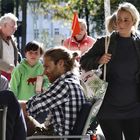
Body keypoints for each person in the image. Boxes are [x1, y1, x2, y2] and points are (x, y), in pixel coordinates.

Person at [80, 2, 140, 140]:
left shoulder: (138, 43)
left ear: (134, 22)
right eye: (119, 19)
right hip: (108, 108)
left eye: (126, 20)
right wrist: (99, 60)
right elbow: (83, 61)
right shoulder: (105, 42)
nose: (121, 23)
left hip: (135, 108)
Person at [26, 46, 86, 136]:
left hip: (56, 137)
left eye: (47, 67)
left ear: (60, 63)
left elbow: (30, 107)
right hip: (54, 132)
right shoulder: (70, 81)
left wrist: (12, 104)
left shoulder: (65, 85)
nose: (45, 72)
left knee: (14, 108)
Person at [0, 13, 19, 81]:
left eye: (16, 26)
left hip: (11, 76)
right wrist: (8, 67)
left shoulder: (12, 40)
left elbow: (14, 58)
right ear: (4, 25)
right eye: (13, 26)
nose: (15, 28)